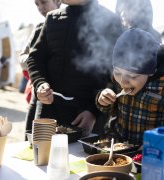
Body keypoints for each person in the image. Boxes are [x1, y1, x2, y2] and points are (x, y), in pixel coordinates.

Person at [95, 28, 164, 154]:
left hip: (156, 158)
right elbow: (109, 108)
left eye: (132, 76)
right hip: (120, 152)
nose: (123, 81)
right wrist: (103, 100)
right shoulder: (118, 80)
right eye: (117, 72)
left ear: (150, 72)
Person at [26, 0, 123, 136]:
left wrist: (94, 112)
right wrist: (40, 84)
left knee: (82, 157)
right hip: (49, 109)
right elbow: (35, 58)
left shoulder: (110, 21)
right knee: (41, 156)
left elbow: (117, 72)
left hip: (86, 116)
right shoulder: (53, 17)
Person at [19, 0, 61, 133]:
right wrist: (37, 61)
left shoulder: (68, 26)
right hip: (37, 95)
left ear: (58, 1)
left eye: (43, 2)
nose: (40, 8)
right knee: (31, 137)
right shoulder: (38, 28)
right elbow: (23, 58)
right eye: (37, 4)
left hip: (61, 99)